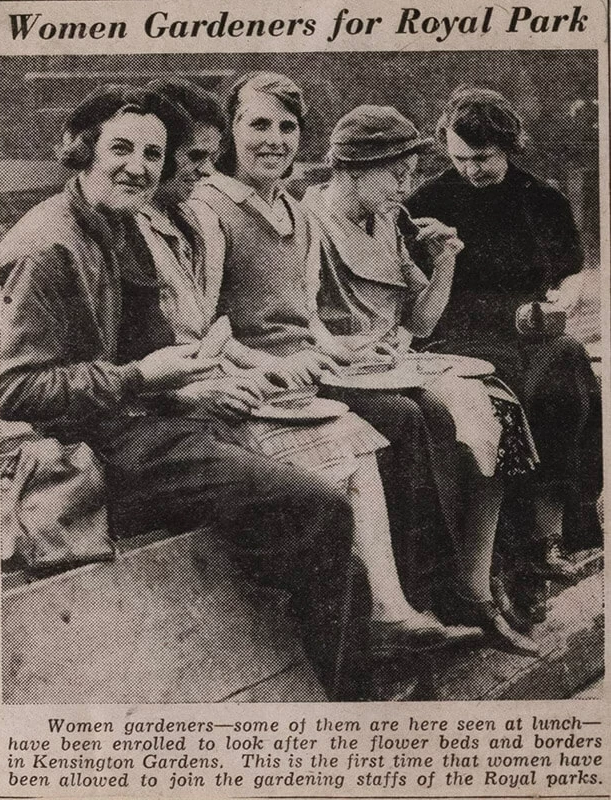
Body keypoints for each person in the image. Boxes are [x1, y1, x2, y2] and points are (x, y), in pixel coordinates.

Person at [0, 84, 368, 699]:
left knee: (328, 528)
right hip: (87, 455)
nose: (138, 167)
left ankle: (331, 689)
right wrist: (145, 379)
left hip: (146, 425)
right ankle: (344, 713)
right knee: (321, 511)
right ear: (81, 150)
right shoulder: (47, 245)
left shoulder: (120, 225)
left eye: (152, 154)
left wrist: (187, 385)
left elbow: (150, 351)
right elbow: (11, 389)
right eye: (121, 149)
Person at [188, 71, 532, 653]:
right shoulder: (210, 210)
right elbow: (206, 323)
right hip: (261, 382)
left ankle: (463, 586)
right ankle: (419, 600)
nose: (274, 140)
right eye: (258, 125)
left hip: (315, 368)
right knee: (401, 415)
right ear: (230, 133)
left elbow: (308, 317)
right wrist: (279, 361)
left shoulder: (292, 212)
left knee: (466, 404)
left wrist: (340, 349)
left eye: (288, 127)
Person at [303, 104, 539, 652]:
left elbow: (421, 321)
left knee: (498, 403)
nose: (407, 185)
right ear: (353, 168)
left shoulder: (388, 218)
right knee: (426, 418)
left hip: (395, 361)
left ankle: (476, 586)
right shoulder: (311, 219)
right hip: (343, 370)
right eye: (396, 173)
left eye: (410, 171)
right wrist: (352, 350)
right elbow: (301, 317)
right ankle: (433, 594)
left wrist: (445, 261)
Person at [407, 86, 603, 589]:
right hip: (456, 334)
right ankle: (503, 547)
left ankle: (548, 536)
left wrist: (567, 298)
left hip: (531, 329)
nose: (471, 170)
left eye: (483, 159)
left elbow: (570, 274)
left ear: (510, 146)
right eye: (459, 158)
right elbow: (412, 293)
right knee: (509, 385)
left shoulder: (543, 199)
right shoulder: (426, 201)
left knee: (566, 370)